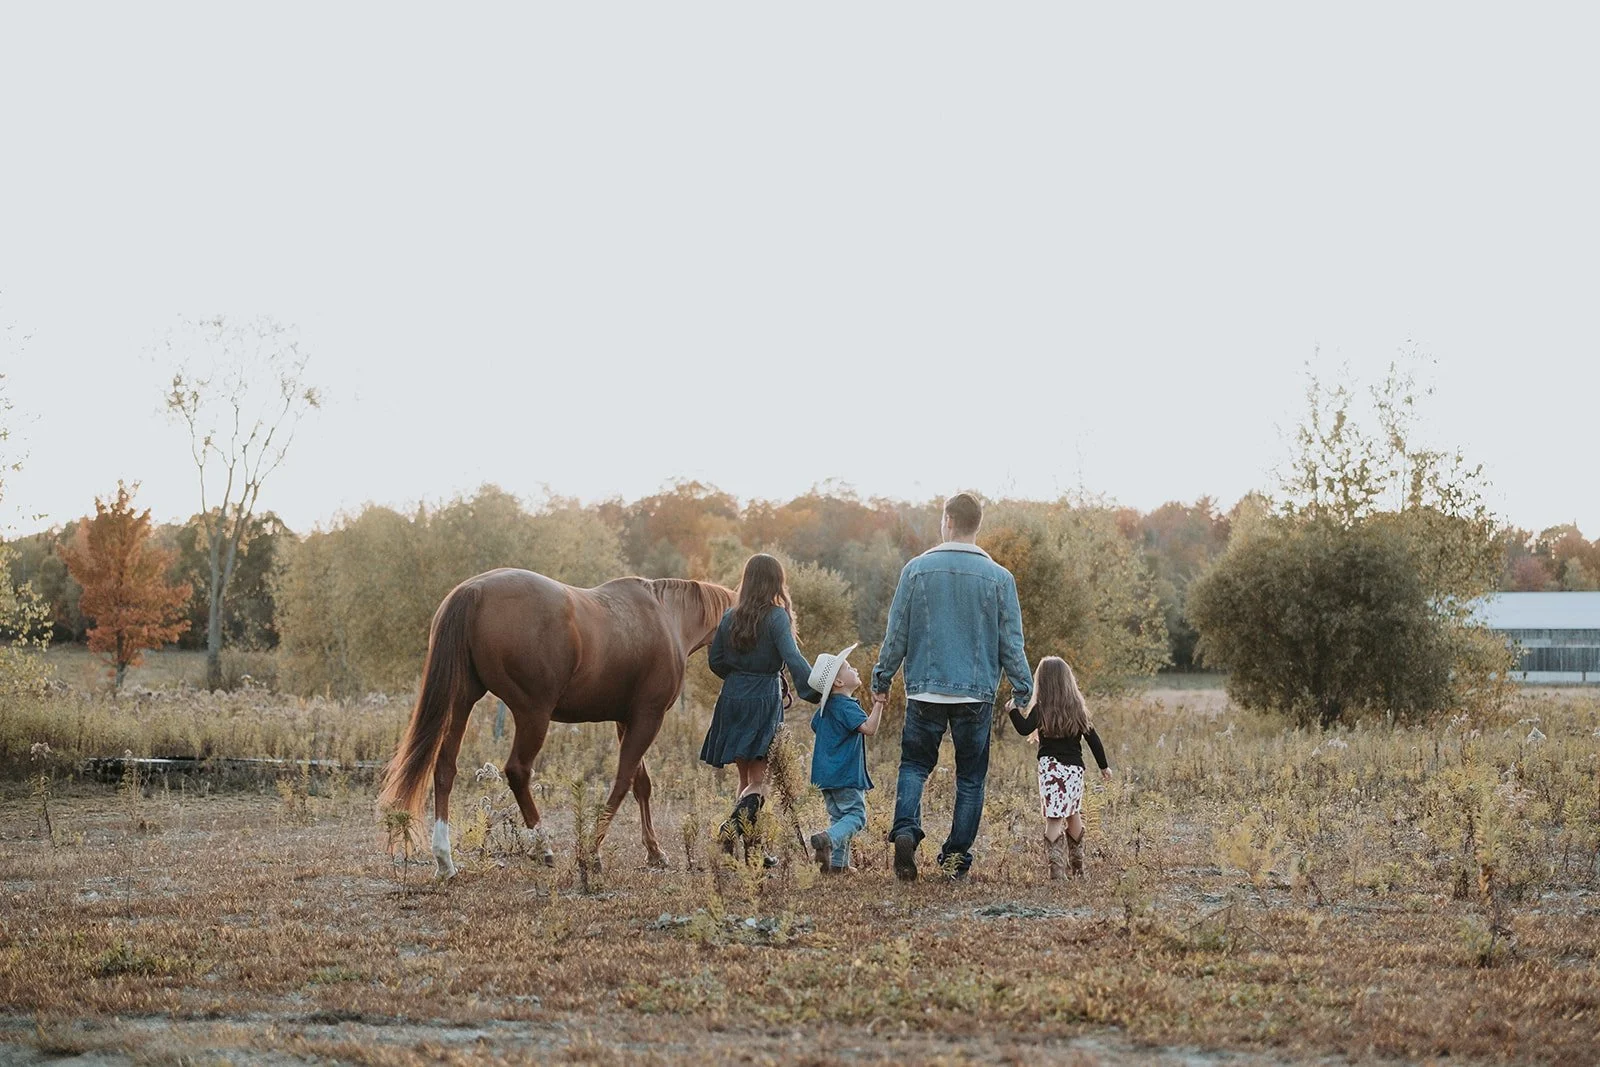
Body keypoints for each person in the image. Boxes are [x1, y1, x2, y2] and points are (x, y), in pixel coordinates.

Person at [871, 492, 1033, 881]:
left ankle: (907, 831)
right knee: (971, 778)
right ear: (977, 525)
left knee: (914, 765)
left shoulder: (916, 570)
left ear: (946, 520)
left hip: (924, 689)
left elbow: (897, 634)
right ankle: (956, 856)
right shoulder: (1000, 578)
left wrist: (882, 677)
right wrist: (1022, 689)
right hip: (975, 693)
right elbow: (1011, 642)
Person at [702, 553, 821, 859]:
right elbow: (793, 659)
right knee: (760, 782)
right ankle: (729, 830)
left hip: (732, 697)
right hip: (763, 698)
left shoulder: (730, 616)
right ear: (776, 581)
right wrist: (816, 692)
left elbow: (715, 660)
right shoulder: (777, 616)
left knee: (745, 780)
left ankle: (754, 853)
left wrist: (737, 679)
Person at [1007, 656, 1111, 879]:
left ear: (1041, 682)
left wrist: (1012, 710)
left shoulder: (1041, 709)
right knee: (1073, 812)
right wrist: (1104, 767)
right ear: (1068, 680)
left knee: (1054, 817)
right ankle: (1078, 867)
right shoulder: (1076, 708)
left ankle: (1056, 871)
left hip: (1051, 769)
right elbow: (1094, 739)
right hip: (1074, 769)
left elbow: (1024, 729)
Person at [804, 644, 882, 874]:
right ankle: (828, 840)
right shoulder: (846, 706)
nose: (855, 669)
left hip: (824, 776)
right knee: (856, 817)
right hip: (845, 774)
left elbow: (815, 725)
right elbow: (868, 728)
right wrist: (879, 704)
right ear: (838, 682)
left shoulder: (824, 710)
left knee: (840, 817)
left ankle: (838, 866)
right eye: (848, 667)